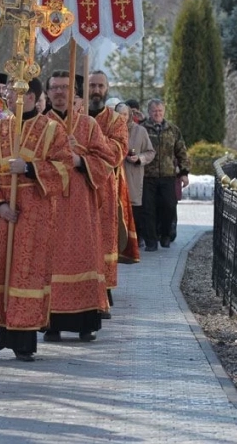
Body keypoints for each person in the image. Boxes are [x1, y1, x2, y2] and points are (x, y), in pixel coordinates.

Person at [0, 77, 72, 362]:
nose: (15, 98)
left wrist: (28, 168)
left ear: (34, 98)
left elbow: (63, 168)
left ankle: (24, 340)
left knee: (26, 273)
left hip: (34, 212)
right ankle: (2, 330)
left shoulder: (52, 130)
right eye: (11, 93)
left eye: (21, 94)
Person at [43, 71, 110, 342]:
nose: (60, 92)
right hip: (50, 201)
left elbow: (106, 161)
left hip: (81, 204)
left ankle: (85, 323)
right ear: (48, 93)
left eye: (65, 87)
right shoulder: (39, 124)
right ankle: (51, 323)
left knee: (84, 255)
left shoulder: (88, 125)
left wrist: (80, 158)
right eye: (55, 88)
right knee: (50, 259)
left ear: (74, 93)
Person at [88, 70, 129, 309]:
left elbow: (117, 152)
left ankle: (105, 288)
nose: (96, 90)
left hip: (104, 188)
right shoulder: (75, 117)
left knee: (104, 237)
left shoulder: (116, 121)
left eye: (100, 86)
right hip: (76, 189)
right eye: (92, 85)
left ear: (107, 88)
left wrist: (91, 144)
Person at [141, 98, 190, 251]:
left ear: (164, 112)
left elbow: (181, 151)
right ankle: (151, 241)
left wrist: (184, 172)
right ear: (149, 112)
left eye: (160, 111)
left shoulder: (173, 130)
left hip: (168, 175)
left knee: (169, 206)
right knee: (148, 209)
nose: (157, 114)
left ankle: (166, 234)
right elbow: (135, 147)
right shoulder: (142, 129)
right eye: (154, 111)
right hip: (147, 175)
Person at [116, 102, 155, 252]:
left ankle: (135, 241)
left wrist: (139, 158)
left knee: (134, 211)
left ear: (129, 115)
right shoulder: (109, 130)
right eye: (119, 114)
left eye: (125, 114)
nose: (122, 117)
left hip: (132, 176)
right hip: (115, 176)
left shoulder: (140, 131)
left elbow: (150, 152)